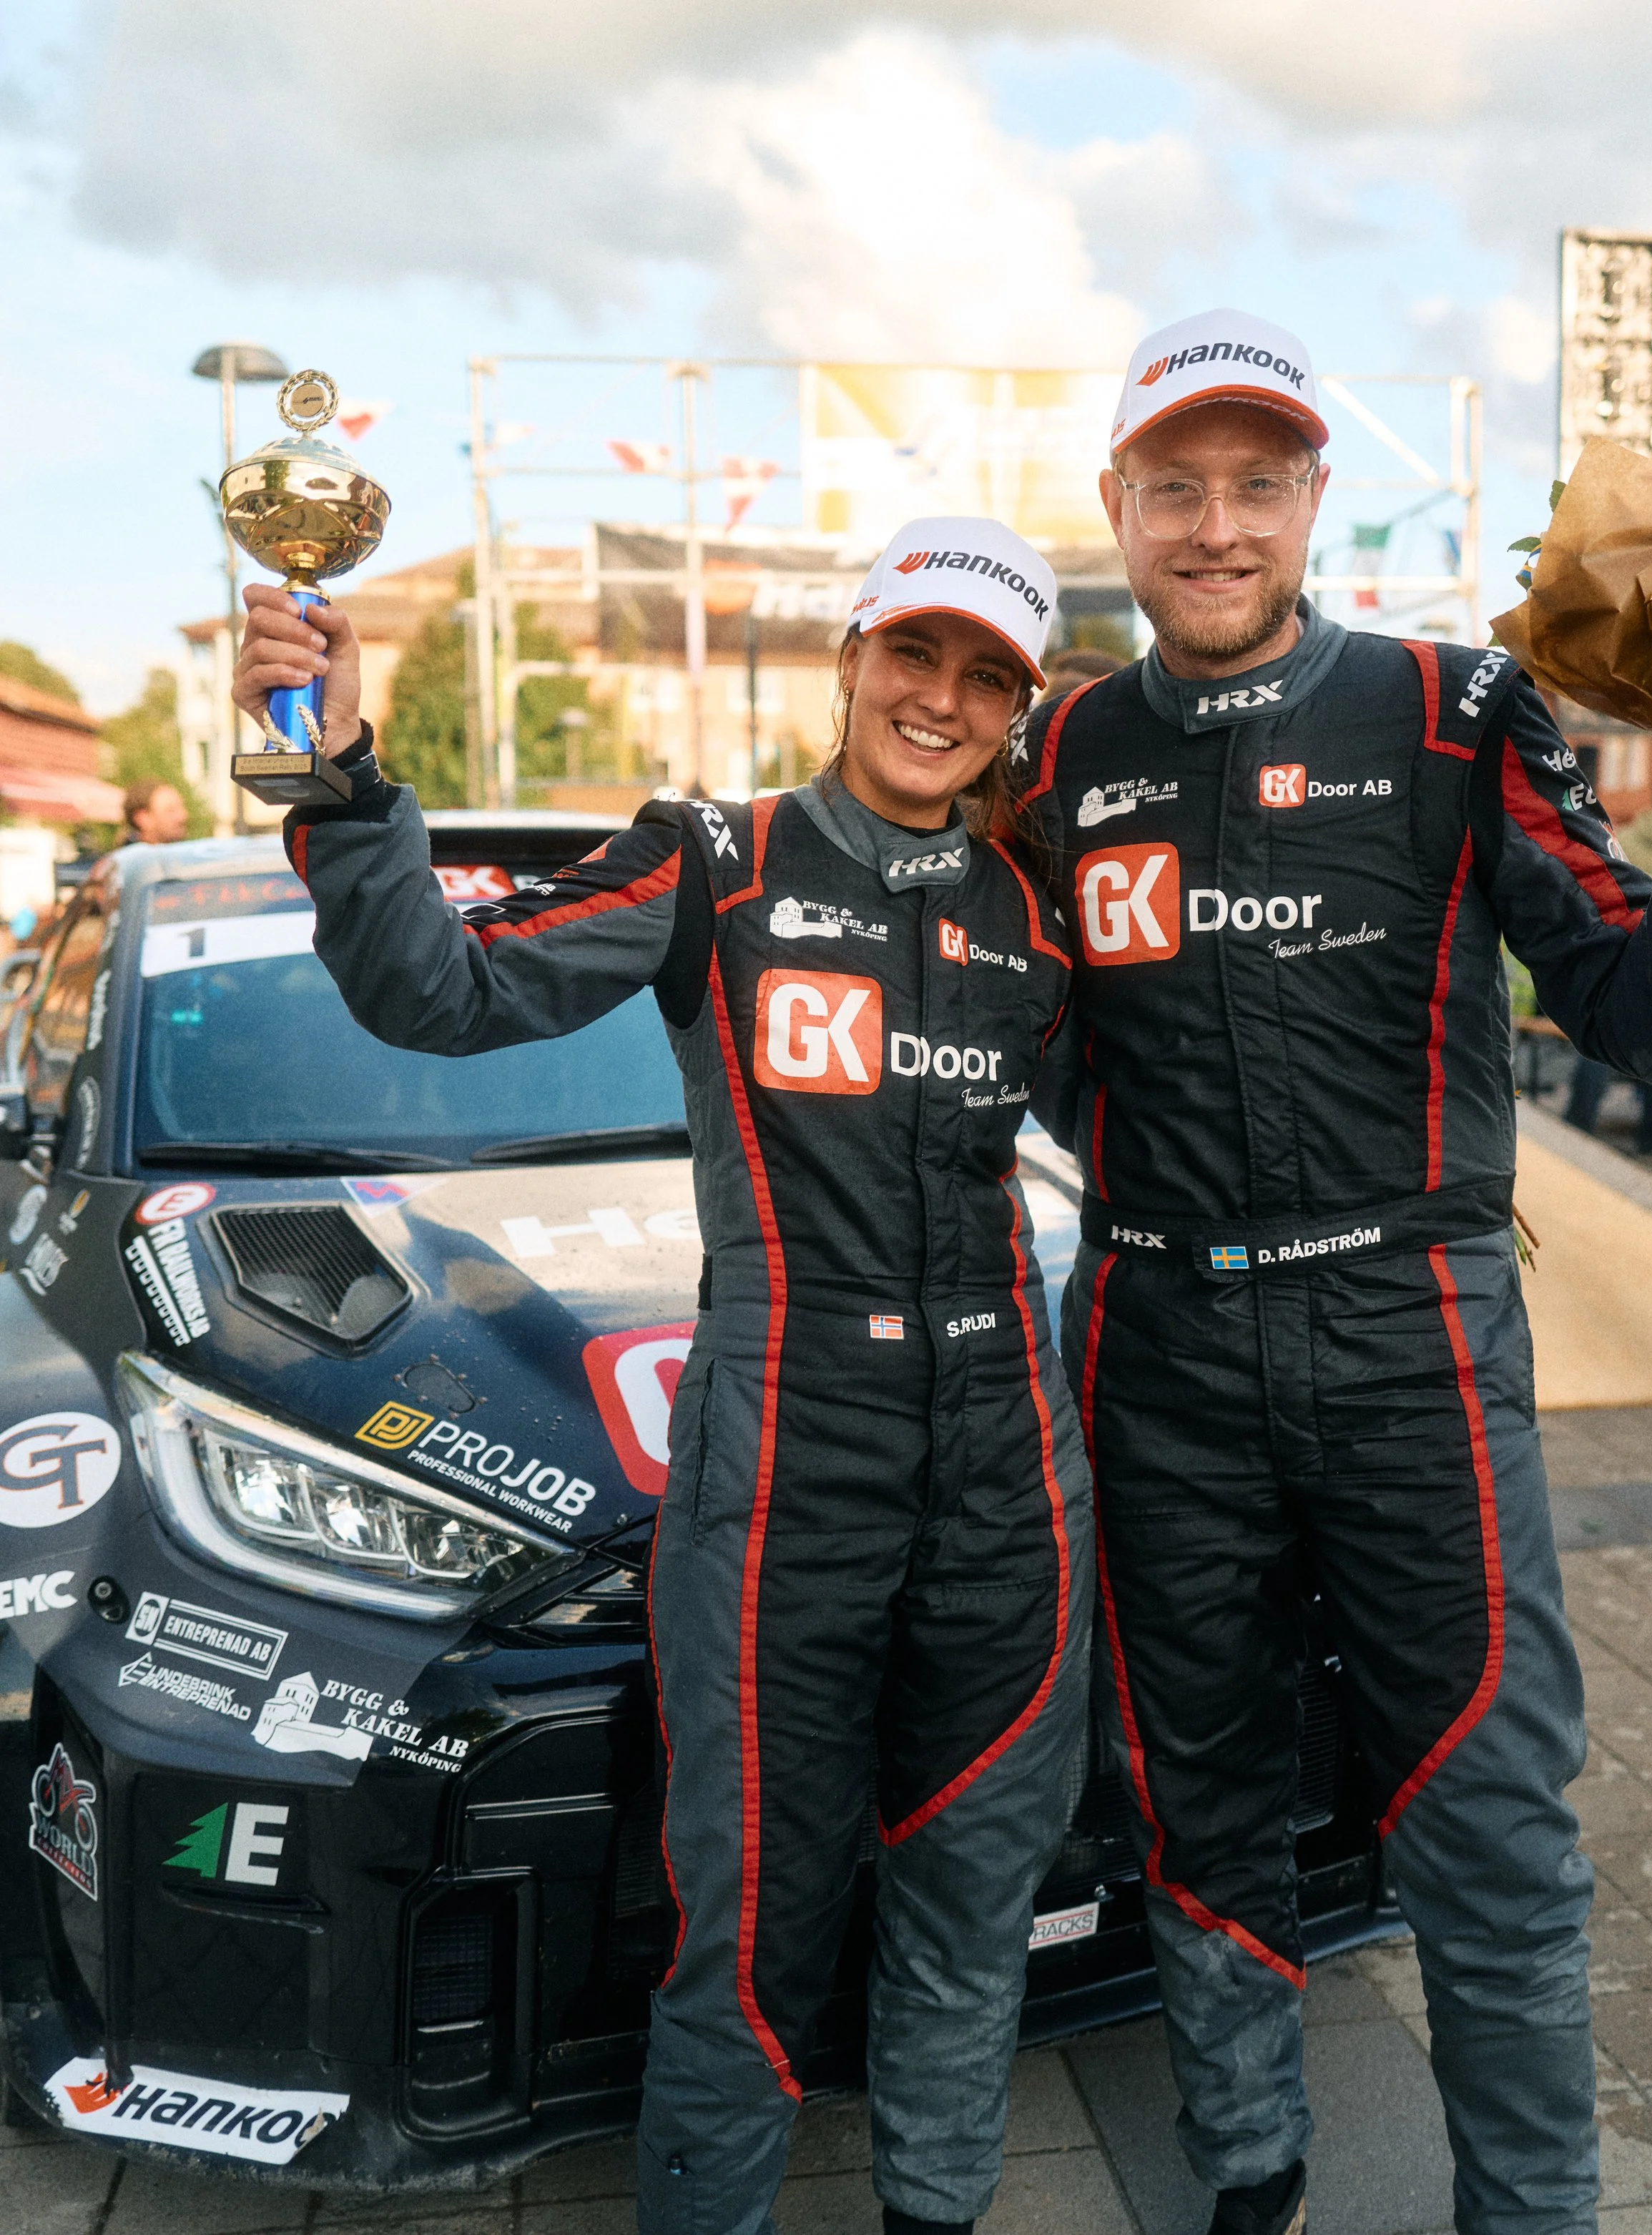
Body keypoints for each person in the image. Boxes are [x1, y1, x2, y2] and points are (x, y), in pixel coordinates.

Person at [232, 516, 1093, 2235]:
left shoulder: (1039, 911)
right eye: (913, 653)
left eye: (984, 674)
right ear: (852, 656)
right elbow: (438, 990)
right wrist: (337, 775)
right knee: (755, 1923)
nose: (938, 698)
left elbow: (1179, 1122)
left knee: (973, 1890)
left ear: (1022, 705)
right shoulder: (722, 857)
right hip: (787, 1461)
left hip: (1014, 1470)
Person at [1022, 306, 1652, 2235]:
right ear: (1116, 503)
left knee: (1486, 1808)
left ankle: (1527, 2212)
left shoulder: (1454, 712)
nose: (1214, 527)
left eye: (1254, 485)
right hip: (1154, 1333)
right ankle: (1254, 2186)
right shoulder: (1051, 751)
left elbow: (1636, 1016)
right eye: (1175, 487)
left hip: (1410, 1334)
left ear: (1309, 502)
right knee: (1197, 1805)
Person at [1563, 766, 1652, 1152]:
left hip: (1624, 951)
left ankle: (1579, 1127)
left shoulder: (1629, 837)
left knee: (1602, 1044)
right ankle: (1650, 1141)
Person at [121, 778, 188, 845]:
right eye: (171, 811)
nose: (183, 816)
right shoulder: (125, 855)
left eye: (181, 808)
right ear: (143, 819)